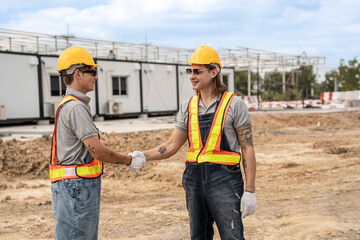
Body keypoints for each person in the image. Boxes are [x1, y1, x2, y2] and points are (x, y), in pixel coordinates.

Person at [131, 46, 257, 239]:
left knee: (232, 235)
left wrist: (250, 190)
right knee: (198, 236)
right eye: (190, 71)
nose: (192, 76)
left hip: (224, 179)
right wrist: (143, 155)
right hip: (193, 178)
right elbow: (172, 144)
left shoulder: (234, 104)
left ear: (213, 72)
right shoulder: (187, 106)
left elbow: (247, 147)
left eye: (197, 71)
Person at [50, 46, 145, 240]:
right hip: (76, 187)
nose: (96, 76)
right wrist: (128, 160)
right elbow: (98, 151)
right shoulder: (75, 107)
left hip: (72, 187)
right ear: (77, 73)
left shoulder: (69, 104)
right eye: (92, 72)